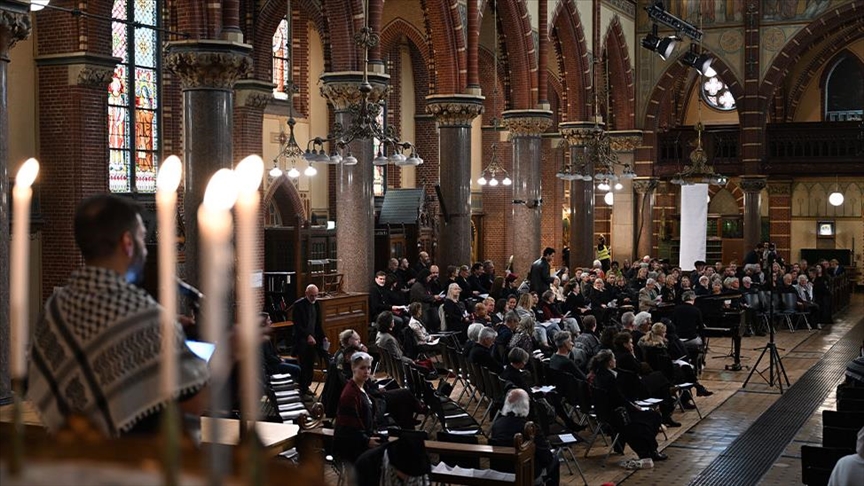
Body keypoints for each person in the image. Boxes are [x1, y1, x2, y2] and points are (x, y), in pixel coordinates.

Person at [27, 194, 209, 437]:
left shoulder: (54, 308)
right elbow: (192, 404)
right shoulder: (146, 316)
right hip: (131, 461)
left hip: (70, 457)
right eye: (143, 237)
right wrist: (231, 350)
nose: (144, 248)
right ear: (127, 242)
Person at [587, 350, 666, 464]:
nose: (615, 361)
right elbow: (619, 398)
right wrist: (634, 407)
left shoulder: (598, 375)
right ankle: (650, 450)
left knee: (647, 417)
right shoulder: (609, 378)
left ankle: (648, 450)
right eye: (613, 359)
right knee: (653, 416)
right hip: (617, 415)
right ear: (609, 362)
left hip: (606, 412)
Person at [490, 389, 560, 486]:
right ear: (526, 405)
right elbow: (546, 458)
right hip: (526, 474)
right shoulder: (529, 428)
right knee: (555, 460)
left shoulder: (497, 424)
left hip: (501, 472)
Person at [334, 352, 380, 464]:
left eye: (369, 368)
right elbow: (348, 428)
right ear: (353, 368)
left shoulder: (360, 387)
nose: (367, 371)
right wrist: (367, 440)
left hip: (363, 439)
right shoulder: (350, 394)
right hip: (354, 448)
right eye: (362, 368)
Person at [354, 431, 432, 486]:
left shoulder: (422, 468)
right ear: (394, 466)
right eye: (406, 473)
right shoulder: (367, 464)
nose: (408, 478)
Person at [294, 284, 327, 396]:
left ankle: (307, 386)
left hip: (314, 339)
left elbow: (318, 323)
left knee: (311, 364)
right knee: (304, 364)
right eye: (312, 296)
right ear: (306, 294)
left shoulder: (316, 304)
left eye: (316, 295)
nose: (314, 298)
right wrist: (307, 335)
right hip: (302, 340)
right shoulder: (299, 305)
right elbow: (298, 325)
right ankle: (302, 388)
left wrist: (323, 336)